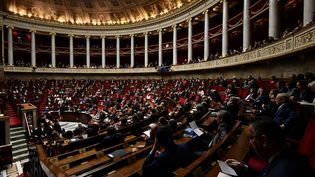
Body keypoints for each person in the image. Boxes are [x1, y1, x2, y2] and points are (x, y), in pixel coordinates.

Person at [225, 118, 314, 177]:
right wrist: (244, 169)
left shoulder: (284, 171)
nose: (249, 143)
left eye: (251, 138)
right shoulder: (284, 154)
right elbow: (265, 174)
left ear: (264, 140)